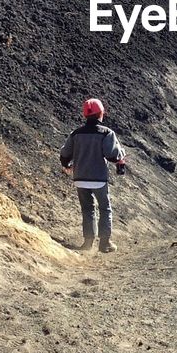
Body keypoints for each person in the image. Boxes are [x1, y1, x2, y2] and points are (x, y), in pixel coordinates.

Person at [60, 98, 127, 252]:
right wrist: (120, 158)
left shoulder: (76, 133)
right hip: (98, 179)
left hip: (80, 178)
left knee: (87, 209)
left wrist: (66, 165)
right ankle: (105, 243)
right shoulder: (106, 133)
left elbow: (65, 154)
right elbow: (112, 155)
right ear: (101, 114)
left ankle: (87, 243)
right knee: (105, 208)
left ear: (85, 115)